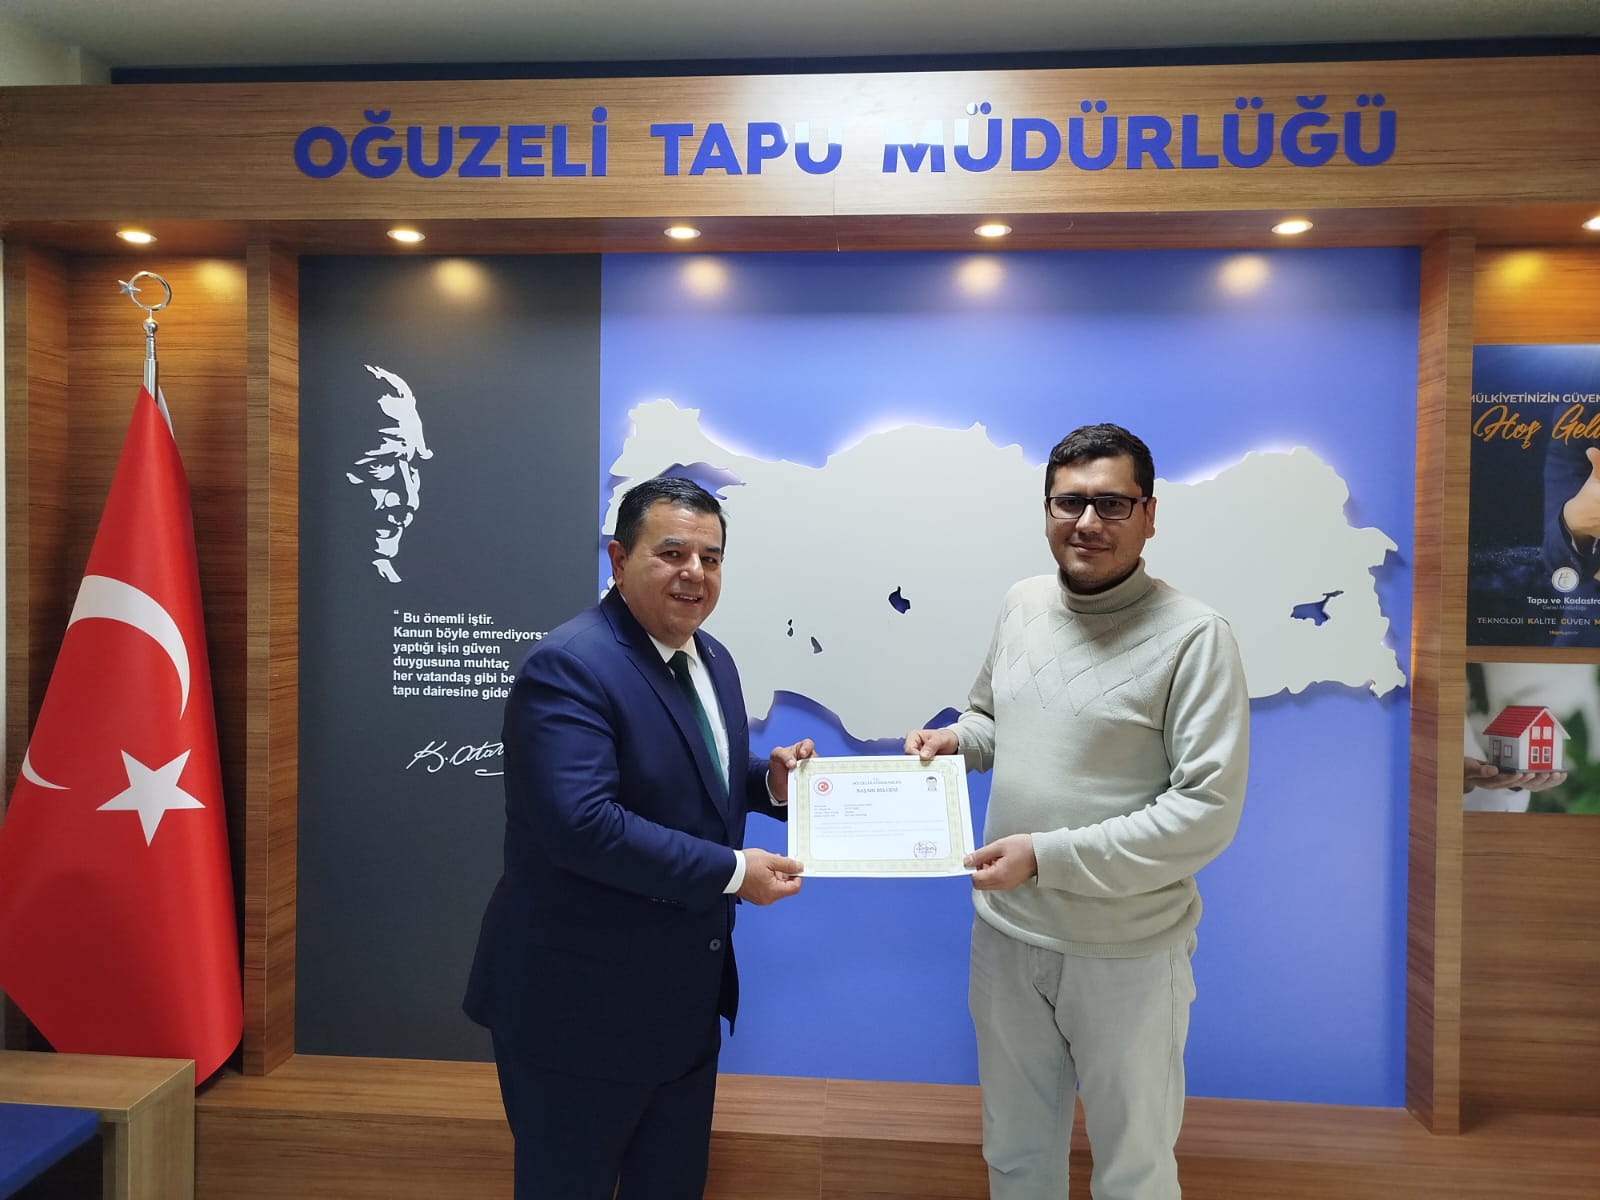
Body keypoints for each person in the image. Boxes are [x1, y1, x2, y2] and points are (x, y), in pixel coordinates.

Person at [906, 423, 1249, 1200]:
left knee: (1133, 1171)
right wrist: (956, 741)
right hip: (1005, 937)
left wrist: (1047, 856)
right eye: (1069, 503)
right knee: (1015, 1155)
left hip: (1126, 954)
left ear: (1149, 515)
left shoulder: (1196, 638)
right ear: (1046, 510)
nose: (1088, 522)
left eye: (1111, 503)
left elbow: (1206, 811)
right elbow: (992, 717)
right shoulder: (1022, 604)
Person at [464, 475, 812, 1199]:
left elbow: (696, 773)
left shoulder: (711, 657)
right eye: (673, 553)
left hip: (681, 1010)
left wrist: (770, 784)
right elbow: (582, 826)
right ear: (620, 561)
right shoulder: (570, 665)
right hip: (577, 1015)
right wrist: (732, 871)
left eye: (711, 558)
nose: (695, 573)